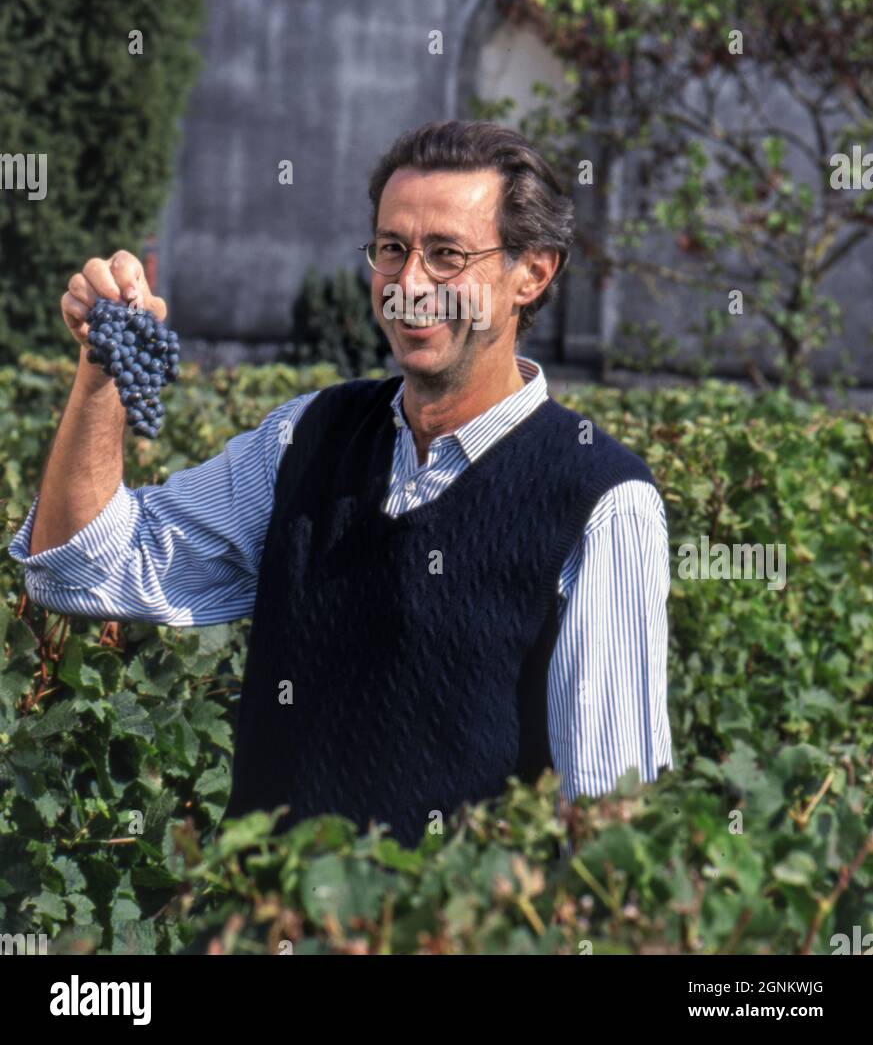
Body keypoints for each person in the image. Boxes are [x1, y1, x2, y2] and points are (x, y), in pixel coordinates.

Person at [10, 119, 673, 849]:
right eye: (392, 249)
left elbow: (610, 828)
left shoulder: (599, 501)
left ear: (533, 273)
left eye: (447, 254)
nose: (409, 284)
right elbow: (77, 568)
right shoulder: (305, 437)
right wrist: (101, 377)